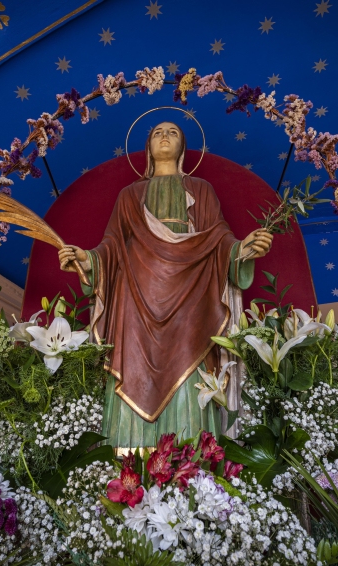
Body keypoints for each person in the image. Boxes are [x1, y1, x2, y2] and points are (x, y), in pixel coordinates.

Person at [57, 121, 272, 451]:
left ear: (183, 146)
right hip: (135, 292)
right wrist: (88, 260)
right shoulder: (129, 195)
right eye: (157, 133)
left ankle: (195, 458)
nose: (164, 136)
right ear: (148, 148)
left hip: (192, 290)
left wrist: (242, 250)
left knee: (191, 362)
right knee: (132, 364)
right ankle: (128, 456)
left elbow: (217, 237)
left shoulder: (200, 188)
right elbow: (113, 244)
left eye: (172, 132)